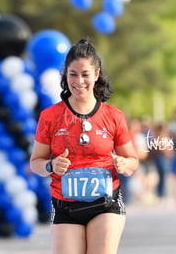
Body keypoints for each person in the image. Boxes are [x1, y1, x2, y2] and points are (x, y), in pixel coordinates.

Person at [29, 38, 139, 254]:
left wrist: (125, 164)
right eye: (73, 74)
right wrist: (51, 166)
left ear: (96, 74)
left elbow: (133, 160)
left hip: (105, 204)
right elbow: (35, 163)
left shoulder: (113, 116)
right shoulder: (50, 117)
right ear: (65, 75)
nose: (79, 81)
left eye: (85, 74)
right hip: (65, 205)